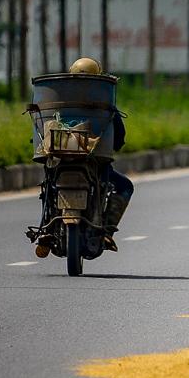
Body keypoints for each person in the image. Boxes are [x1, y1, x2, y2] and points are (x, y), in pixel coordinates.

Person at [36, 56, 132, 257]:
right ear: (98, 77)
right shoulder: (104, 103)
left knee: (48, 186)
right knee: (124, 186)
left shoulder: (57, 102)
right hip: (95, 161)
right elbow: (119, 139)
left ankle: (46, 227)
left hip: (58, 158)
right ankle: (107, 230)